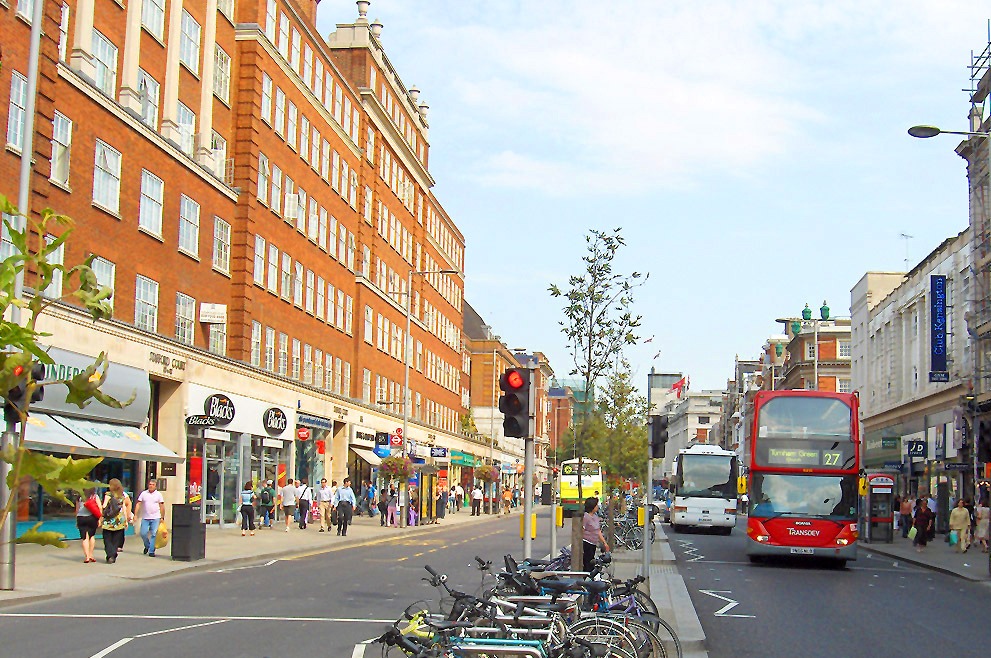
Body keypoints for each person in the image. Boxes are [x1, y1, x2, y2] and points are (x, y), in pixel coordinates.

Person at [100, 478, 132, 563]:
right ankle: (113, 554)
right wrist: (125, 520)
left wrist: (101, 516)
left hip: (108, 520)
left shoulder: (108, 495)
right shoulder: (122, 495)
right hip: (119, 520)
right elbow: (124, 508)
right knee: (116, 540)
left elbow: (104, 506)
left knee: (107, 539)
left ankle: (110, 554)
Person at [134, 479, 165, 558]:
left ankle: (151, 551)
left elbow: (162, 506)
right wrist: (135, 514)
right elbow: (138, 504)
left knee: (154, 533)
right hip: (145, 517)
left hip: (156, 517)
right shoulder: (144, 493)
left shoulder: (158, 494)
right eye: (150, 484)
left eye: (153, 485)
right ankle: (147, 545)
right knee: (143, 533)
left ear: (155, 486)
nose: (151, 486)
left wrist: (162, 517)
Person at [582, 497, 609, 573]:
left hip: (593, 543)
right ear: (592, 506)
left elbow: (598, 531)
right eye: (596, 505)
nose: (597, 507)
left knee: (592, 563)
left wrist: (604, 543)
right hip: (586, 543)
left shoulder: (595, 517)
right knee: (588, 564)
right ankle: (586, 581)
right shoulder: (586, 517)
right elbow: (581, 530)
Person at [76, 488, 101, 564]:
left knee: (84, 538)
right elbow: (100, 507)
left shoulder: (79, 497)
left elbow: (77, 510)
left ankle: (86, 557)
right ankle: (91, 555)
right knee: (91, 536)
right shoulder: (95, 496)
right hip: (92, 517)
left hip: (81, 518)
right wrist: (99, 519)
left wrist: (76, 521)